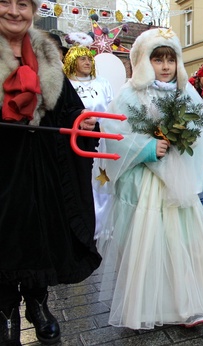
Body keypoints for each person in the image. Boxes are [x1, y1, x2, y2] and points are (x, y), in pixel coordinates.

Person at [94, 28, 203, 329]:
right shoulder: (130, 93)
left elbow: (201, 136)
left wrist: (194, 160)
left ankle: (190, 304)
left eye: (171, 59)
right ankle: (147, 305)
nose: (166, 66)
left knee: (184, 240)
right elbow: (115, 135)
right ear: (144, 60)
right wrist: (146, 147)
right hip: (147, 183)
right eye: (158, 59)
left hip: (180, 184)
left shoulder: (186, 93)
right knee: (150, 241)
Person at [0, 0, 102, 344]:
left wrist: (83, 120)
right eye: (4, 2)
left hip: (44, 164)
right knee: (5, 235)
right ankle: (4, 310)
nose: (14, 11)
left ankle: (37, 305)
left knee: (40, 232)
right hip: (3, 166)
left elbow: (70, 109)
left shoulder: (46, 55)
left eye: (23, 4)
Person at [63, 38, 113, 113]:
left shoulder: (103, 83)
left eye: (90, 59)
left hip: (102, 124)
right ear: (73, 62)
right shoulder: (67, 85)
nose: (88, 63)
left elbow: (112, 108)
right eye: (83, 59)